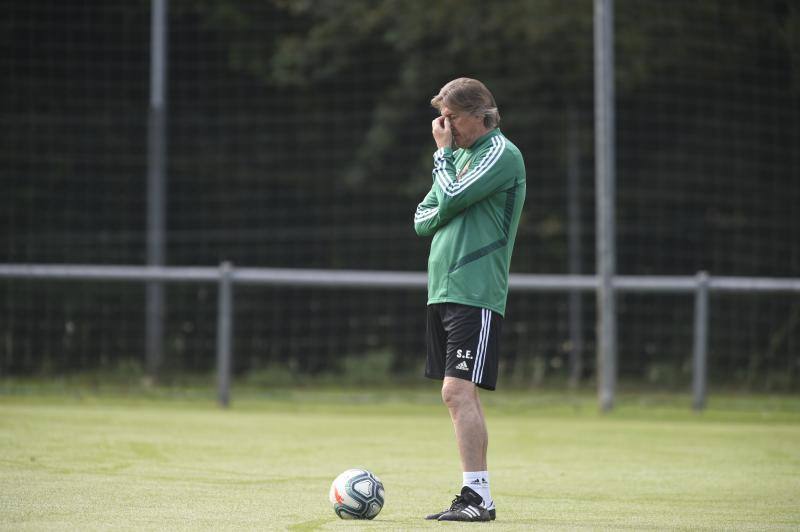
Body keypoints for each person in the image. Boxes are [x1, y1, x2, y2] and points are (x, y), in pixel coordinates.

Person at [413, 77, 526, 522]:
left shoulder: (500, 153)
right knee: (456, 395)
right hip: (442, 290)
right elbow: (422, 219)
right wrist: (448, 191)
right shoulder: (458, 158)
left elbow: (453, 195)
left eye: (451, 118)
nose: (443, 127)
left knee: (457, 392)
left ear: (480, 115)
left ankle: (478, 498)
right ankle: (476, 495)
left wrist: (443, 166)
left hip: (475, 289)